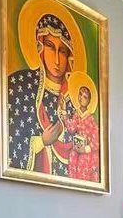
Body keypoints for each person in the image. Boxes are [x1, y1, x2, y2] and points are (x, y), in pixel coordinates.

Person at [7, 13, 77, 176]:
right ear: (40, 48)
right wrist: (41, 141)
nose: (57, 60)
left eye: (62, 51)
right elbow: (12, 140)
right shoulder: (20, 84)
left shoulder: (75, 99)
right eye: (50, 47)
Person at [64, 83, 101, 182]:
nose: (81, 98)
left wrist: (86, 149)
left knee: (83, 163)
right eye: (80, 95)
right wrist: (64, 113)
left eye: (85, 97)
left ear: (89, 101)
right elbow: (72, 128)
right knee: (72, 157)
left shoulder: (91, 119)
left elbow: (96, 139)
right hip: (77, 147)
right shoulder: (76, 114)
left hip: (86, 151)